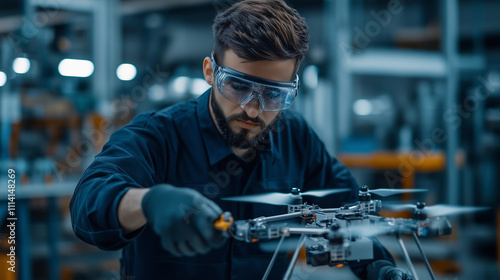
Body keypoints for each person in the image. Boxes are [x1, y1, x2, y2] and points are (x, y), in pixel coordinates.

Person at [70, 0, 414, 279]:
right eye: (238, 85)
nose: (253, 108)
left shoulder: (296, 138)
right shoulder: (159, 136)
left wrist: (377, 267)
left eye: (273, 94)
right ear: (210, 71)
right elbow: (89, 205)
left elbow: (344, 210)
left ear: (293, 91)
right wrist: (149, 202)